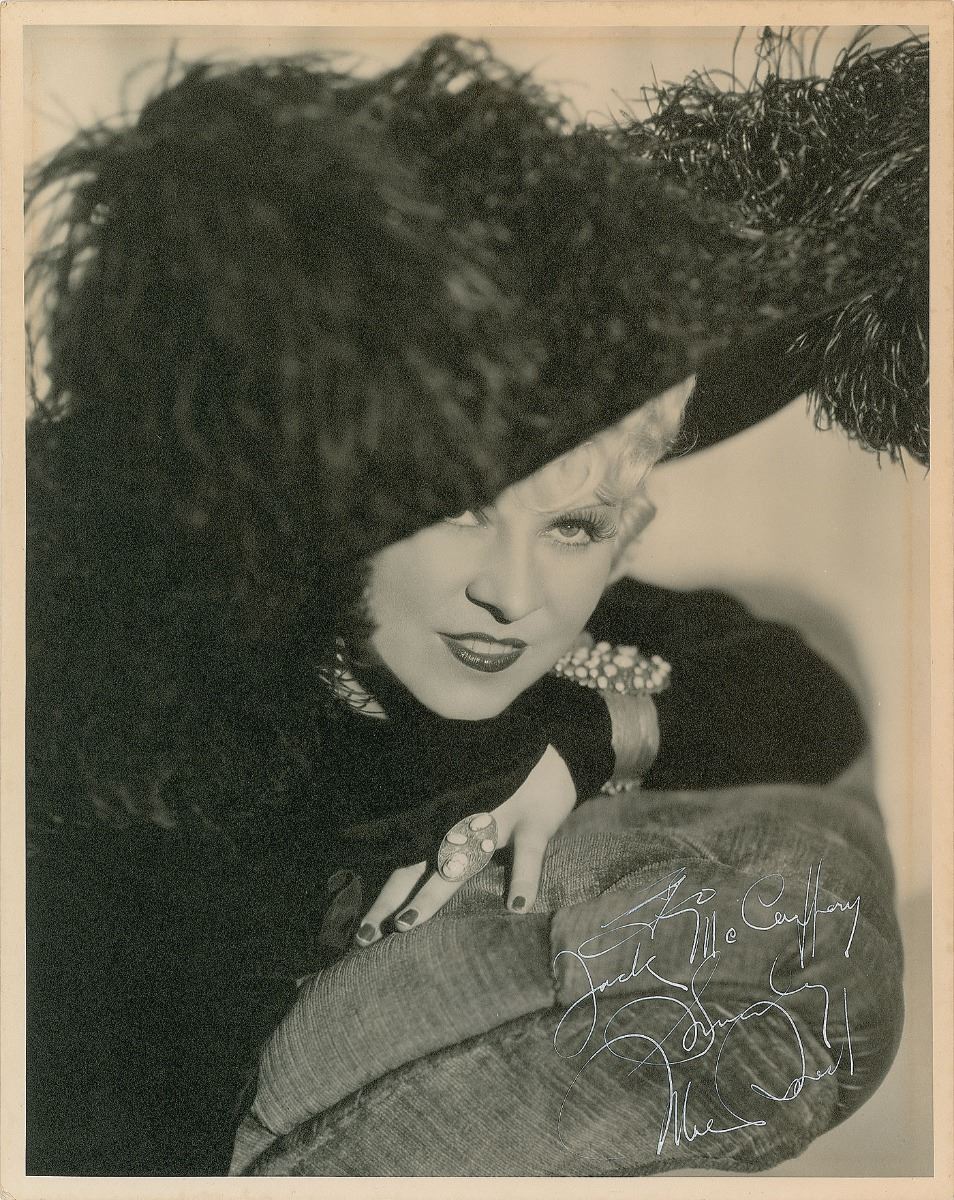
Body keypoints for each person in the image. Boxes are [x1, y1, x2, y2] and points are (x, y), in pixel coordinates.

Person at [24, 38, 869, 1176]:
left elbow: (805, 699)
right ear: (334, 495)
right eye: (458, 511)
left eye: (575, 527)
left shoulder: (523, 636)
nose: (511, 594)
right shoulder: (143, 744)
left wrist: (585, 736)